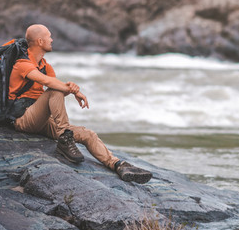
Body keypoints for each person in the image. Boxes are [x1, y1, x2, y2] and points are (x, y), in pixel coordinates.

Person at [8, 24, 151, 184]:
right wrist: (74, 91)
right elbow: (48, 83)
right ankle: (64, 139)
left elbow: (56, 88)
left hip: (42, 120)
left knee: (88, 134)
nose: (52, 39)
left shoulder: (45, 66)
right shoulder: (22, 64)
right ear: (40, 41)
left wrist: (70, 88)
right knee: (54, 91)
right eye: (49, 36)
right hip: (23, 118)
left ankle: (118, 165)